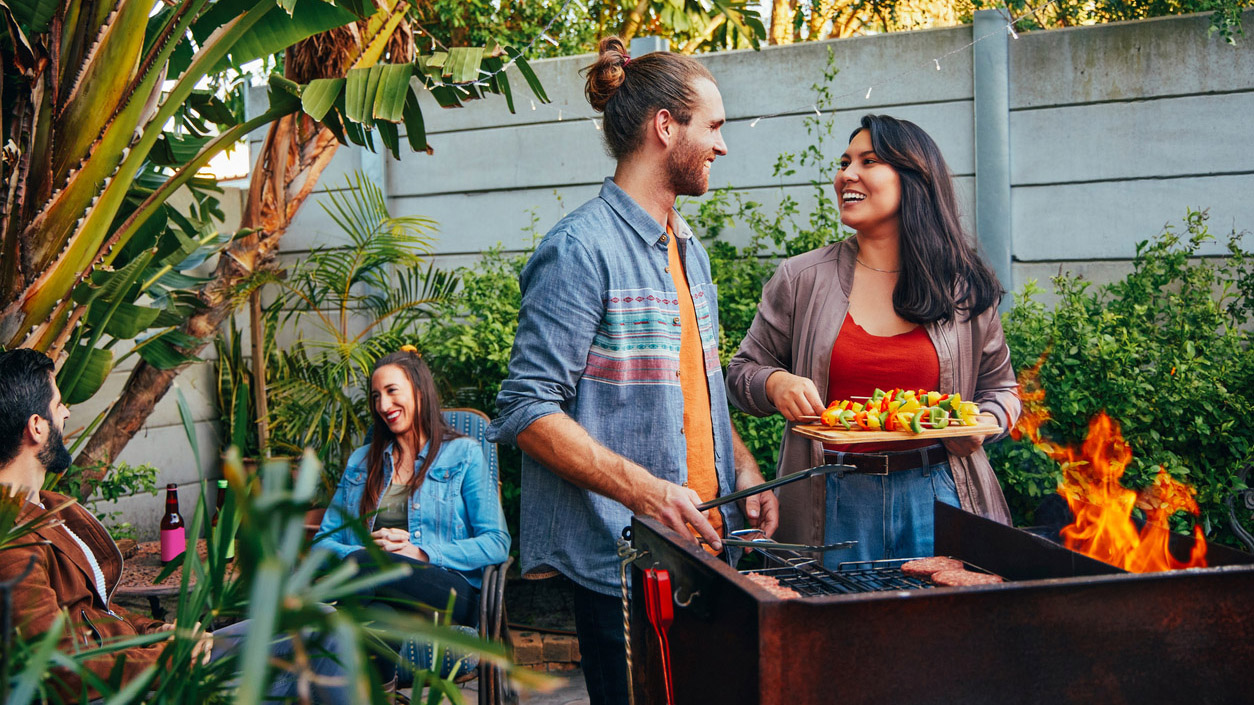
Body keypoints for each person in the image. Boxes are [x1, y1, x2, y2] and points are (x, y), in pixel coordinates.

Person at [487, 37, 778, 705]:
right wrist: (648, 491)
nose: (723, 146)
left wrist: (745, 468)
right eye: (715, 126)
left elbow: (691, 385)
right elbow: (527, 410)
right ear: (666, 126)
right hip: (627, 564)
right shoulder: (578, 249)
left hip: (713, 547)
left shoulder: (688, 248)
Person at [726, 114, 1020, 566]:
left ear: (915, 178)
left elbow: (1002, 390)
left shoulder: (963, 286)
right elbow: (741, 375)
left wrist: (982, 424)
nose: (847, 174)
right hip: (832, 496)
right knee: (832, 633)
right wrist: (774, 384)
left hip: (940, 493)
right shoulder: (801, 278)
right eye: (844, 162)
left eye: (869, 160)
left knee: (946, 633)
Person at [0, 349, 351, 703]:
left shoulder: (48, 507)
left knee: (321, 619)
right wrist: (170, 658)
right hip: (135, 684)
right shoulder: (10, 539)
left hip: (147, 659)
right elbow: (57, 667)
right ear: (36, 426)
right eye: (58, 404)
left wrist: (158, 631)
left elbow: (96, 611)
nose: (67, 412)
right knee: (321, 646)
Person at [317, 347, 509, 632]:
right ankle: (380, 676)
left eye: (392, 391)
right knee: (377, 618)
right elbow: (322, 544)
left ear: (419, 392)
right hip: (379, 592)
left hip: (448, 591)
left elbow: (496, 543)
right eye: (376, 396)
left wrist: (421, 552)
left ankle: (314, 632)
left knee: (366, 566)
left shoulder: (463, 454)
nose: (383, 405)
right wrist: (368, 551)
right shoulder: (361, 462)